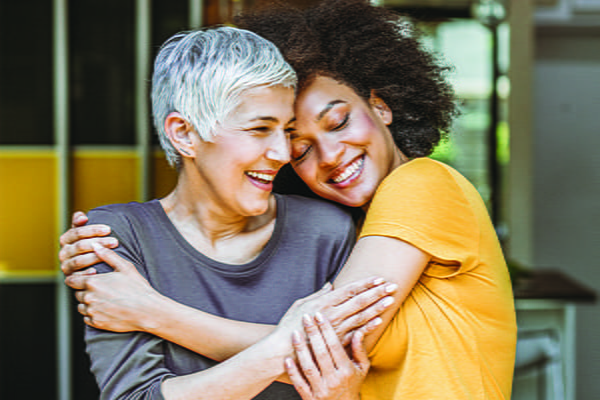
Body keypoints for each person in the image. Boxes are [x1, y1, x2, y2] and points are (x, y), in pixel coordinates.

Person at [61, 1, 517, 399]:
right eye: (298, 146)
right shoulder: (354, 226)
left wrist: (150, 311)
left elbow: (331, 344)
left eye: (338, 122)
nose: (328, 154)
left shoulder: (421, 183)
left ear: (381, 106)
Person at [64, 25, 399, 400]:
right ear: (184, 134)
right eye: (259, 129)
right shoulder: (114, 237)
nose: (283, 153)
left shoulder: (325, 230)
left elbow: (346, 376)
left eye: (286, 131)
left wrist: (152, 312)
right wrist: (283, 349)